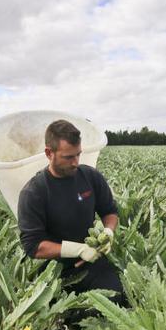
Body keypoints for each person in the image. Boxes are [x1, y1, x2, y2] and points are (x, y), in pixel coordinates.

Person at [17, 119, 125, 303]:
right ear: (49, 153)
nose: (75, 162)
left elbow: (110, 212)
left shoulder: (90, 177)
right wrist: (77, 249)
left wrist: (108, 232)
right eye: (68, 157)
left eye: (78, 155)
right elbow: (33, 246)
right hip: (53, 270)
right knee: (66, 318)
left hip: (91, 260)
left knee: (116, 298)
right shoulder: (34, 192)